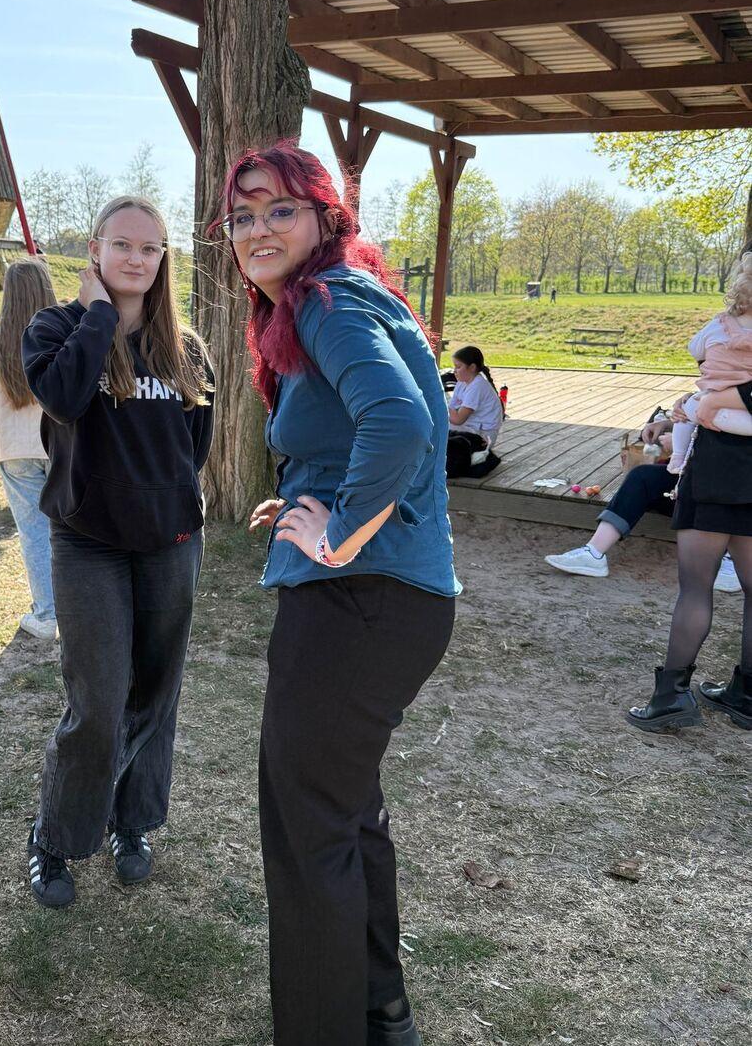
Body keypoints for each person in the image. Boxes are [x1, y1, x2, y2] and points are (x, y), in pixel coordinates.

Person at [226, 141, 458, 1046]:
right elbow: (377, 424)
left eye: (279, 209)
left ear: (327, 217)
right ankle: (378, 1007)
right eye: (242, 216)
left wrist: (342, 530)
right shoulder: (337, 301)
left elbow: (400, 421)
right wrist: (315, 488)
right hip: (392, 602)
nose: (257, 229)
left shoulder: (324, 299)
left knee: (305, 827)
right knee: (345, 810)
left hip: (359, 602)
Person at [20, 196, 215, 907]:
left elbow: (194, 448)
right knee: (97, 703)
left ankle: (131, 822)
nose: (137, 258)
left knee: (156, 694)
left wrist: (171, 510)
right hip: (89, 544)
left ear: (164, 259)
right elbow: (64, 398)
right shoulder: (57, 328)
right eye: (122, 245)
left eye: (151, 248)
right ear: (96, 252)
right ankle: (55, 833)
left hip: (168, 544)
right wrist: (99, 315)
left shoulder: (186, 347)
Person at [628, 252, 752, 733]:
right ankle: (746, 693)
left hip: (719, 463)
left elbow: (702, 359)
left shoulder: (722, 328)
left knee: (695, 587)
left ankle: (672, 696)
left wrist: (710, 397)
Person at [543, 411, 740, 591]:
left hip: (734, 490)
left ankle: (733, 560)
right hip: (696, 480)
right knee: (643, 477)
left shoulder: (740, 392)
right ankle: (593, 553)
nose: (704, 373)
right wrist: (668, 424)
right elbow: (704, 422)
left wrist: (686, 444)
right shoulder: (714, 386)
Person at [0, 257, 59, 640]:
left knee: (34, 532)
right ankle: (72, 608)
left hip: (14, 448)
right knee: (69, 530)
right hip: (59, 443)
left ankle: (46, 614)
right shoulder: (62, 331)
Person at [667, 256, 752, 473]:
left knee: (688, 411)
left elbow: (695, 349)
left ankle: (677, 458)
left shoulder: (718, 325)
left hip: (711, 409)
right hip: (731, 416)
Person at [445, 345, 503, 477]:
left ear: (472, 367)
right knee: (437, 425)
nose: (455, 371)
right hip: (470, 427)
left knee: (439, 428)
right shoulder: (462, 382)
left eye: (458, 367)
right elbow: (452, 408)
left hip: (483, 435)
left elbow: (458, 419)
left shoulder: (478, 385)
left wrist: (439, 405)